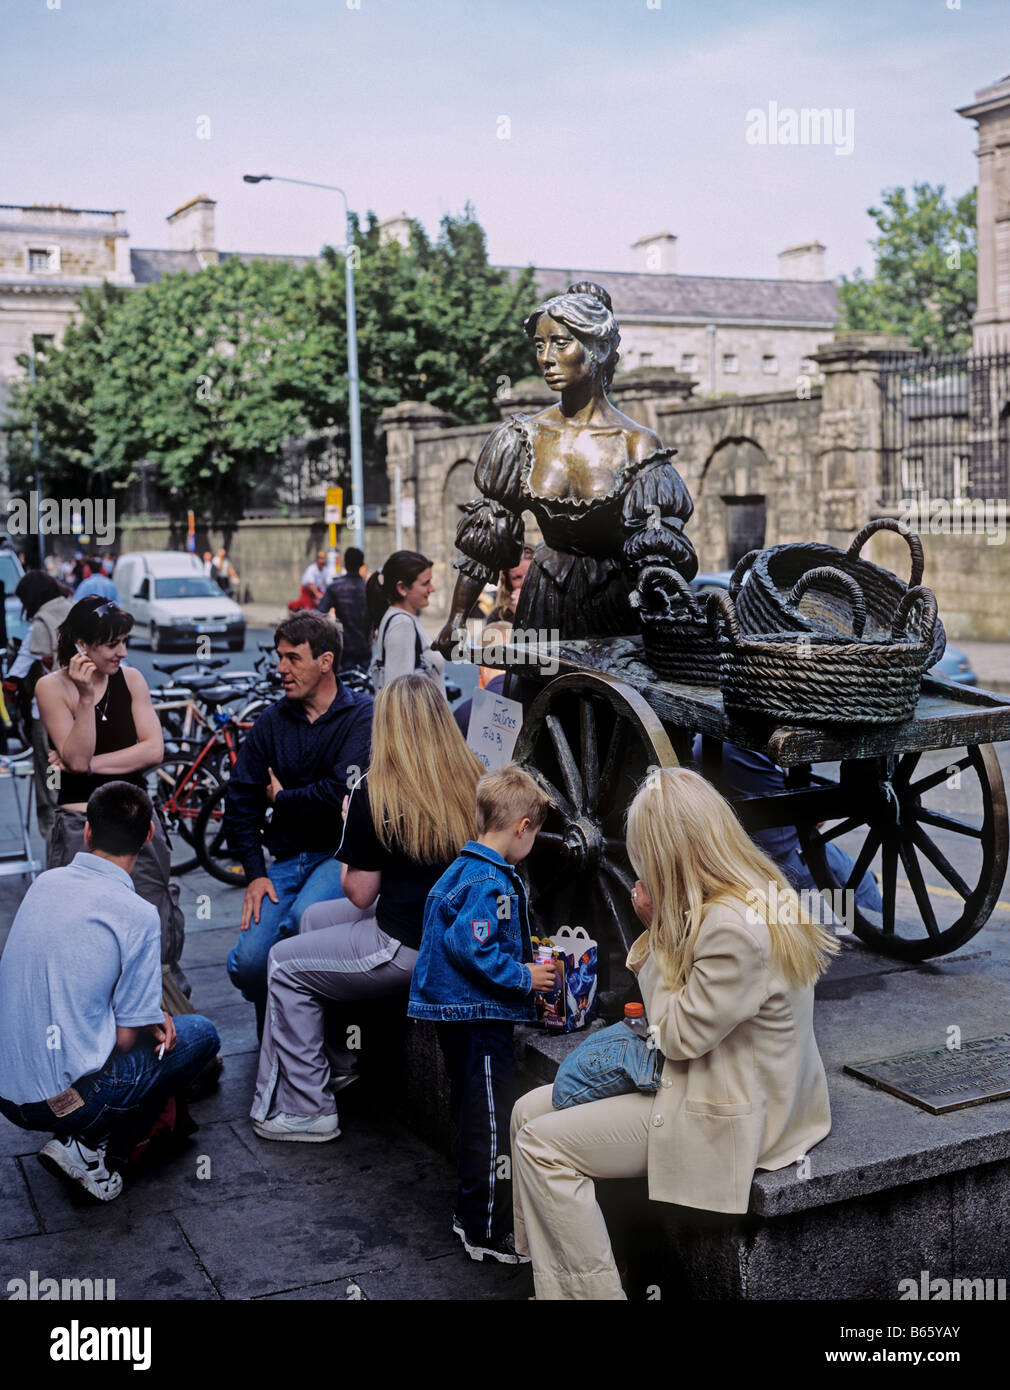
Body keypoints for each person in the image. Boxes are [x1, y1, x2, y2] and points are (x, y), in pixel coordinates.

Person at [510, 766, 838, 1300]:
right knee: (527, 1112)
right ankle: (557, 1272)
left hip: (732, 1110)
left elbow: (680, 1036)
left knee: (542, 1146)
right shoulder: (751, 889)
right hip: (718, 1078)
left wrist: (655, 931)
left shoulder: (731, 928)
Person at [250, 674, 484, 1142]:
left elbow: (358, 893)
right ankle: (336, 1063)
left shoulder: (374, 793)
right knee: (313, 919)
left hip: (404, 944)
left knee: (281, 963)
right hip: (449, 932)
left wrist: (347, 830)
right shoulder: (473, 775)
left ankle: (308, 1109)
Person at [436, 282, 697, 660]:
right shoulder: (521, 437)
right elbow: (487, 538)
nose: (546, 357)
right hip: (544, 598)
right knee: (535, 700)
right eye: (540, 345)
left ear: (599, 349)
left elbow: (656, 552)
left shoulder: (635, 444)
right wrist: (457, 617)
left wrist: (660, 610)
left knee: (613, 708)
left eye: (561, 343)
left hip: (614, 604)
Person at [0, 781, 220, 1203]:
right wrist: (149, 1018)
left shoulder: (45, 883)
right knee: (201, 1034)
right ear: (149, 835)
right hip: (58, 1103)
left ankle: (87, 1134)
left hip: (8, 1094)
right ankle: (88, 1144)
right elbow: (123, 1037)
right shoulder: (138, 914)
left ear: (86, 831)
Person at [408, 764, 559, 1264]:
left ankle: (469, 1210)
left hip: (459, 1017)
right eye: (534, 835)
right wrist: (523, 977)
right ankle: (486, 1229)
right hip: (479, 1021)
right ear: (522, 828)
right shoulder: (489, 881)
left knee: (473, 1114)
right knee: (492, 1123)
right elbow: (470, 946)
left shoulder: (464, 867)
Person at [224, 610, 372, 1035]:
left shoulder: (360, 715)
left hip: (338, 856)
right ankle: (277, 1035)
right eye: (279, 657)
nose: (281, 668)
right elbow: (241, 798)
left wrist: (283, 798)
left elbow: (339, 793)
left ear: (325, 662)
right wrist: (254, 873)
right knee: (250, 964)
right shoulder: (271, 722)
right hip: (286, 860)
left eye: (292, 658)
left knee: (301, 924)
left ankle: (315, 1041)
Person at [35, 597, 189, 995]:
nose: (122, 652)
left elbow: (153, 750)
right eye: (112, 644)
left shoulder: (132, 679)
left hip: (136, 818)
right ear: (83, 645)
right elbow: (74, 754)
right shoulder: (51, 687)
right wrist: (85, 699)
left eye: (124, 641)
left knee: (153, 910)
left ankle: (164, 1009)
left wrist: (85, 764)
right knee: (86, 925)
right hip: (81, 823)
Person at [9, 572, 73, 838]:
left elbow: (23, 663)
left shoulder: (42, 620)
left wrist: (10, 686)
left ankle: (55, 832)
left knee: (49, 775)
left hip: (47, 715)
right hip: (80, 710)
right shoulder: (73, 608)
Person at [366, 550, 445, 696]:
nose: (432, 589)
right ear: (402, 588)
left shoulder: (402, 619)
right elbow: (399, 696)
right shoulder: (402, 624)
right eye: (425, 583)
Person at [317, 546, 370, 671]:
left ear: (344, 563)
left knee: (345, 684)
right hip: (365, 646)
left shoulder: (335, 587)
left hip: (345, 646)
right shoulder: (369, 589)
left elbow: (320, 614)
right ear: (362, 565)